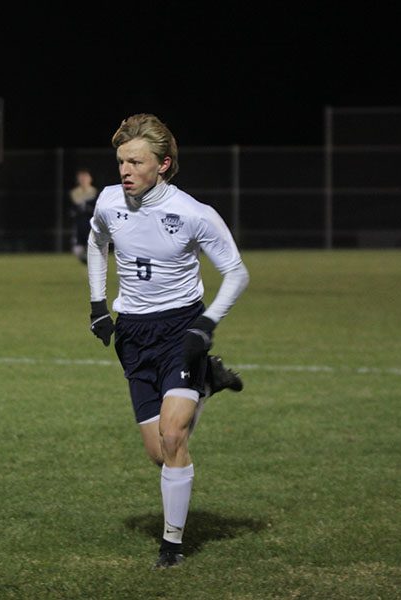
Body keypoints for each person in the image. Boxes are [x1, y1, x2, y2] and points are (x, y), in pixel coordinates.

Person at [86, 114, 249, 568]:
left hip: (181, 330)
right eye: (121, 162)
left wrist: (207, 323)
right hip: (133, 334)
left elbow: (236, 273)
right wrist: (98, 304)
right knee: (159, 453)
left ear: (163, 164)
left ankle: (172, 548)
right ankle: (209, 384)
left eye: (136, 162)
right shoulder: (108, 202)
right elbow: (96, 242)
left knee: (174, 436)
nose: (125, 171)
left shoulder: (194, 214)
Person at [68, 168, 98, 263]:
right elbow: (72, 209)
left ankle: (93, 262)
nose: (83, 180)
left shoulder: (95, 192)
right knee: (77, 249)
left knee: (93, 246)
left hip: (92, 224)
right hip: (79, 224)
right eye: (81, 178)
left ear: (90, 179)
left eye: (85, 178)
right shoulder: (74, 193)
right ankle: (85, 260)